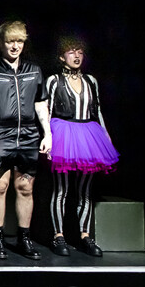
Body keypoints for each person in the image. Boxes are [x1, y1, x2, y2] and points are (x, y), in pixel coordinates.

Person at [0, 20, 51, 260]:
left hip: (28, 135)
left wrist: (47, 133)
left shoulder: (34, 70)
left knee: (25, 188)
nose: (15, 46)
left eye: (19, 41)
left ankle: (24, 238)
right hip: (0, 134)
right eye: (10, 41)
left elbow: (41, 103)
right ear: (1, 43)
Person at [44, 36, 119, 257]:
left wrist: (106, 136)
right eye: (71, 51)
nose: (76, 56)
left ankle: (85, 236)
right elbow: (47, 111)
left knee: (85, 190)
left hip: (88, 133)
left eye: (80, 52)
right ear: (61, 57)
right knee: (61, 189)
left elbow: (98, 110)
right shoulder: (54, 80)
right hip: (63, 132)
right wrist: (47, 138)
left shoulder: (90, 81)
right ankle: (58, 235)